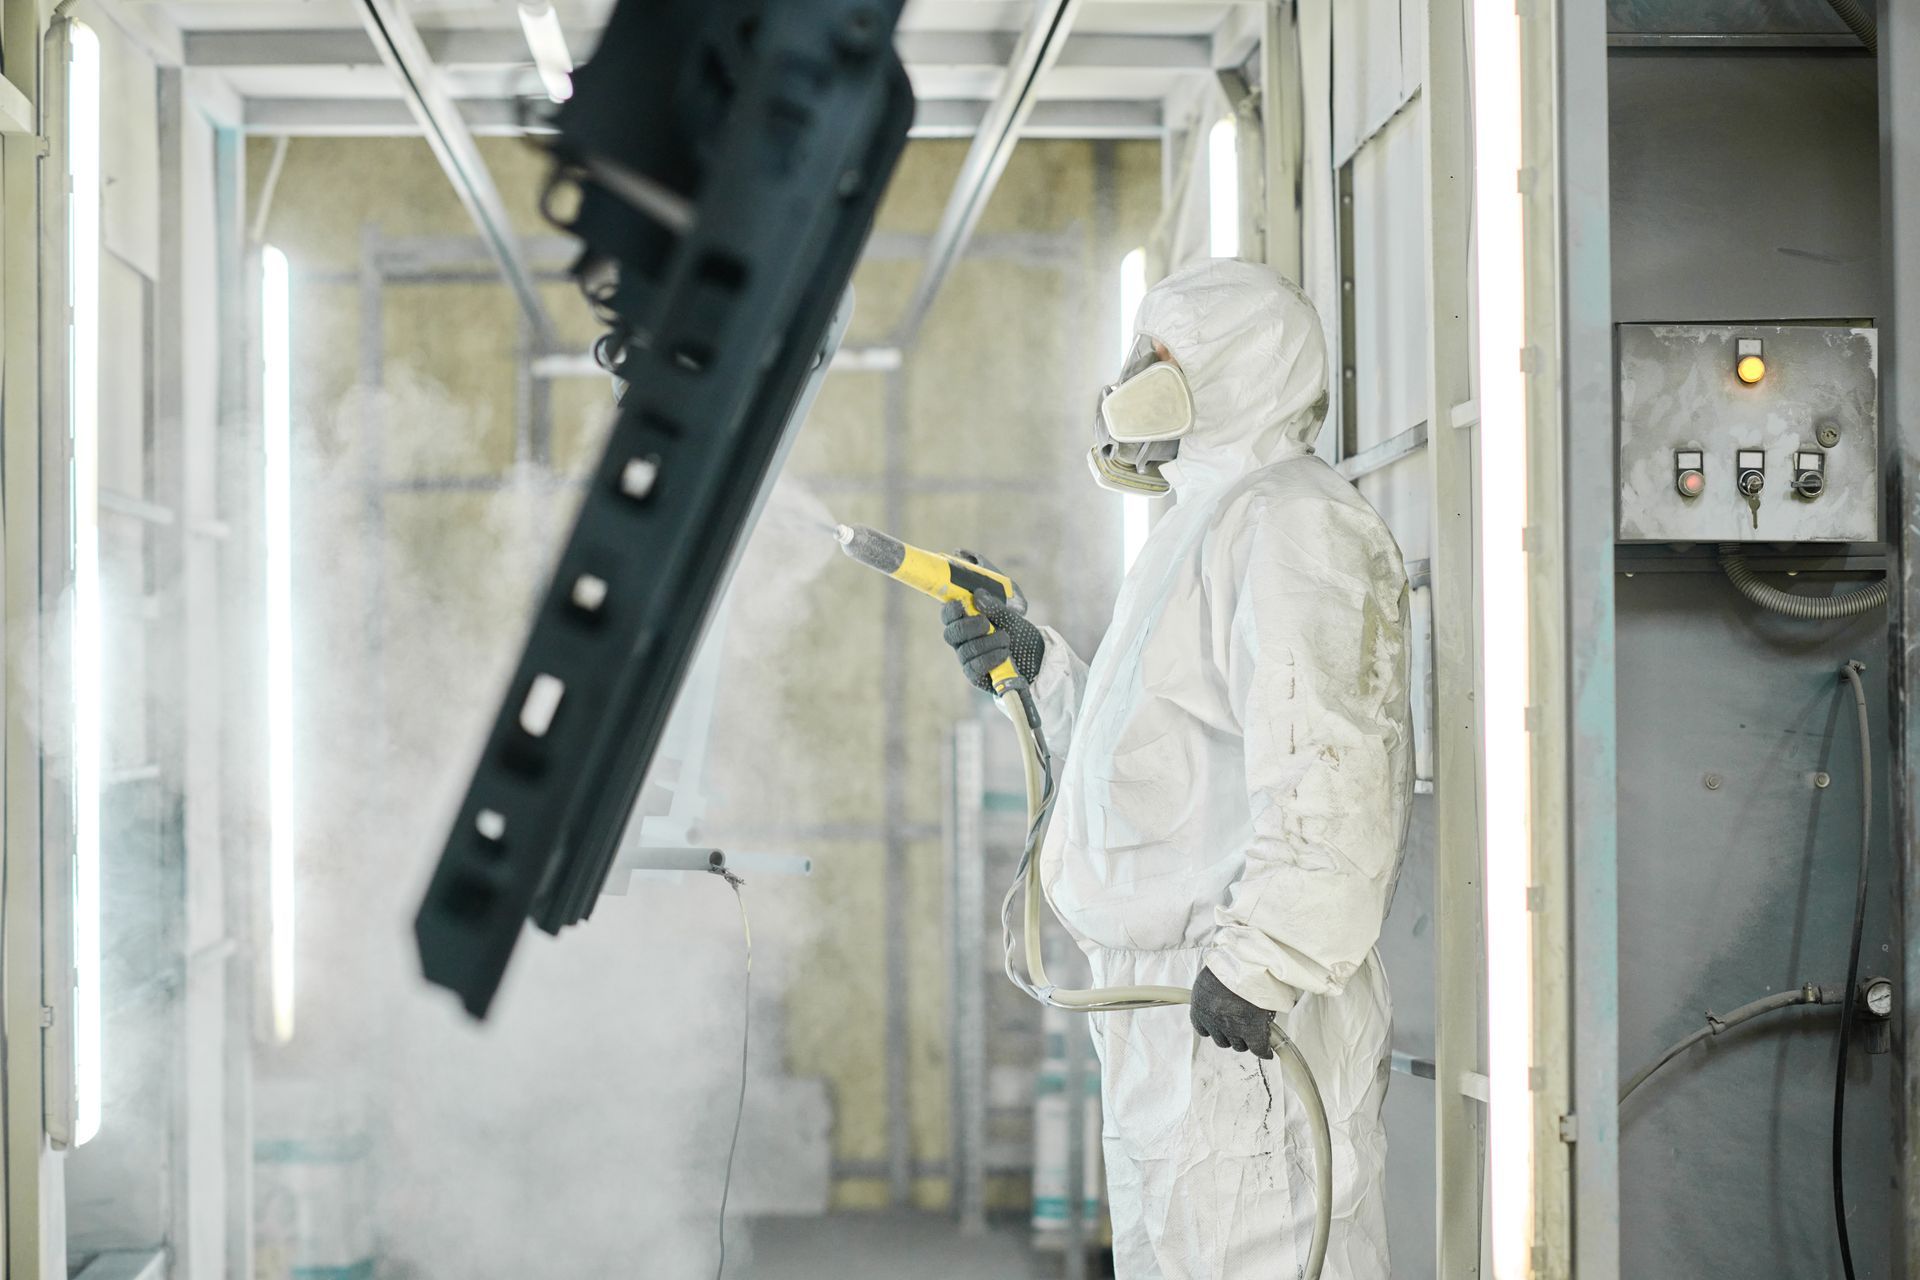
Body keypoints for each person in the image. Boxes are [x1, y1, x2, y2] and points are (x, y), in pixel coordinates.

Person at [940, 258, 1412, 1279]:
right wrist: (1040, 671)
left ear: (1235, 368)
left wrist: (1266, 959)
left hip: (1237, 1004)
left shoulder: (1292, 521)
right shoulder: (1200, 524)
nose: (1131, 378)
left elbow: (1333, 761)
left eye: (1158, 356)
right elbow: (1155, 763)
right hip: (1167, 1011)